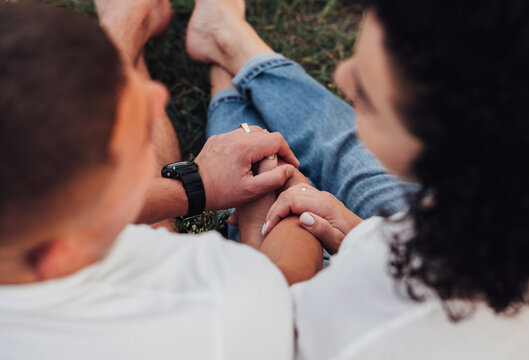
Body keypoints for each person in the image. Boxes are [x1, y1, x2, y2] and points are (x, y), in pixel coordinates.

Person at [186, 0, 529, 358]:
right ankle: (229, 48)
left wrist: (257, 226)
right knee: (354, 155)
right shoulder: (498, 204)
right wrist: (358, 231)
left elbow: (261, 333)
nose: (339, 76)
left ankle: (227, 66)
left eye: (365, 97)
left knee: (313, 164)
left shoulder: (378, 319)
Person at [0, 1, 351, 358]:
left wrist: (202, 185)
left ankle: (127, 30)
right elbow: (285, 284)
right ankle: (131, 26)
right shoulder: (212, 308)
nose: (156, 98)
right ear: (67, 250)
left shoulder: (34, 249)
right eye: (133, 138)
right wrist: (290, 201)